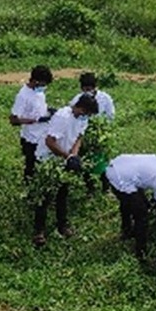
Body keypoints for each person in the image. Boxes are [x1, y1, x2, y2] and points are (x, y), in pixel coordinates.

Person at [31, 92, 98, 247]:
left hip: (64, 159)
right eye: (85, 113)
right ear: (79, 108)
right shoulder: (62, 117)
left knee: (63, 193)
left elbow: (79, 137)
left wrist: (73, 155)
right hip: (48, 159)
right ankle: (39, 231)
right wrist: (67, 156)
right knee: (44, 197)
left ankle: (62, 226)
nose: (86, 117)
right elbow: (50, 141)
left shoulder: (83, 119)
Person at [105, 154, 156, 260]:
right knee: (141, 215)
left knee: (132, 203)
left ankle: (127, 229)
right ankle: (141, 251)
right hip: (120, 179)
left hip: (117, 166)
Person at [9, 65, 55, 180]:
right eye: (42, 85)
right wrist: (35, 120)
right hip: (30, 138)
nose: (44, 87)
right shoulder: (23, 96)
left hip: (42, 134)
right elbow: (13, 119)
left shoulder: (39, 92)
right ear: (35, 81)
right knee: (31, 168)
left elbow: (38, 108)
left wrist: (49, 111)